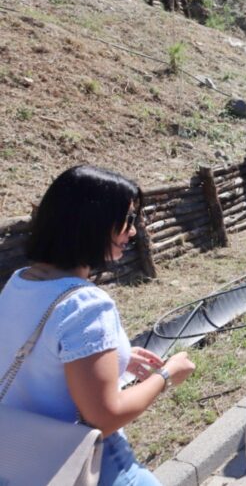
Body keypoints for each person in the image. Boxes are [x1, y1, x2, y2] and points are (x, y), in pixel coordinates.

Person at [0, 165, 196, 486]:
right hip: (87, 463)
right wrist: (167, 375)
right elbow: (104, 416)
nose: (132, 232)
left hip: (22, 458)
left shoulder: (20, 281)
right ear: (92, 224)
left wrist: (117, 356)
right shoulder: (86, 305)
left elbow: (39, 357)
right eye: (127, 220)